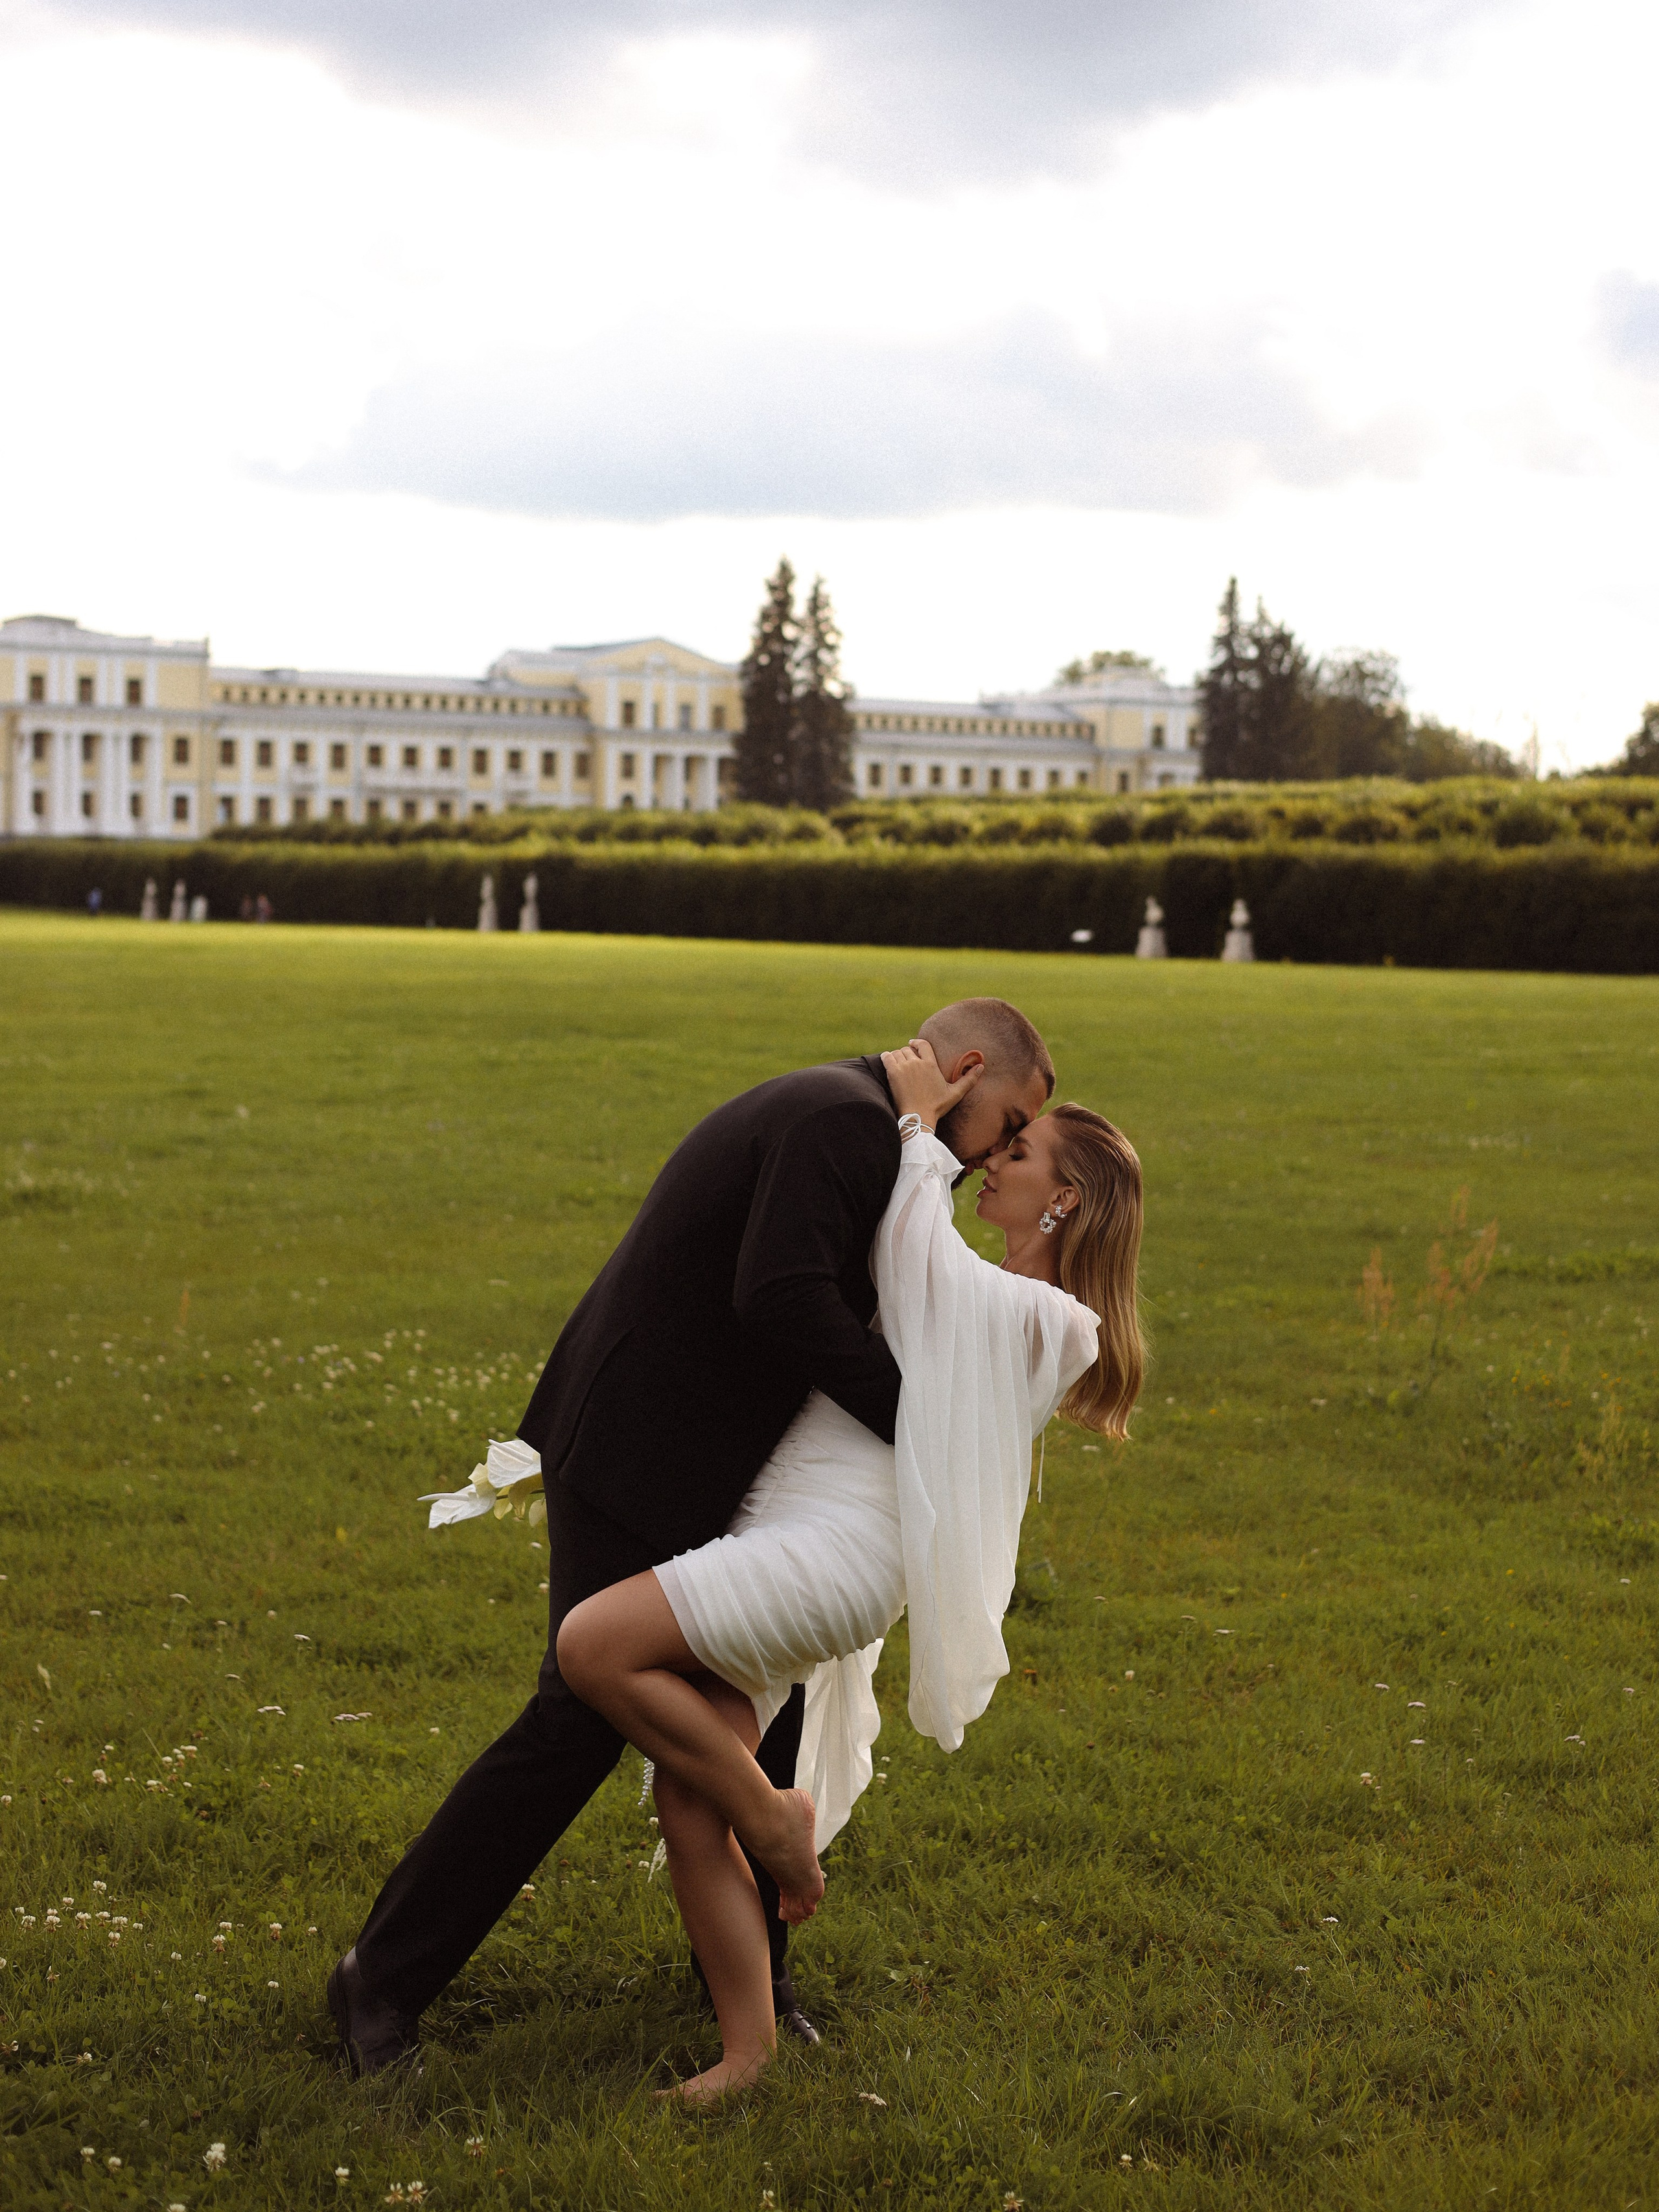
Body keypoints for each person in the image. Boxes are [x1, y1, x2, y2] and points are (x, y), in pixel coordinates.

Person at [329, 999, 1057, 2077]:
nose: (999, 1149)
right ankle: (376, 1982)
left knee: (767, 1714)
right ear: (968, 1065)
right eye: (1008, 1121)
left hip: (709, 1462)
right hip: (635, 1449)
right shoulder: (840, 1122)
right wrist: (925, 1429)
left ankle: (761, 1987)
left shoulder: (872, 1126)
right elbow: (780, 1297)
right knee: (573, 1721)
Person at [556, 1045, 1145, 2101]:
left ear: (1064, 1199)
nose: (992, 1161)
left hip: (833, 1554)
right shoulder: (973, 1293)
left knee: (591, 1646)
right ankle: (749, 2052)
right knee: (690, 1806)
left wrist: (915, 1126)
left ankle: (777, 1821)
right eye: (999, 1137)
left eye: (1018, 1149)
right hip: (786, 1531)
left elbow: (922, 1256)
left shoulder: (1048, 1323)